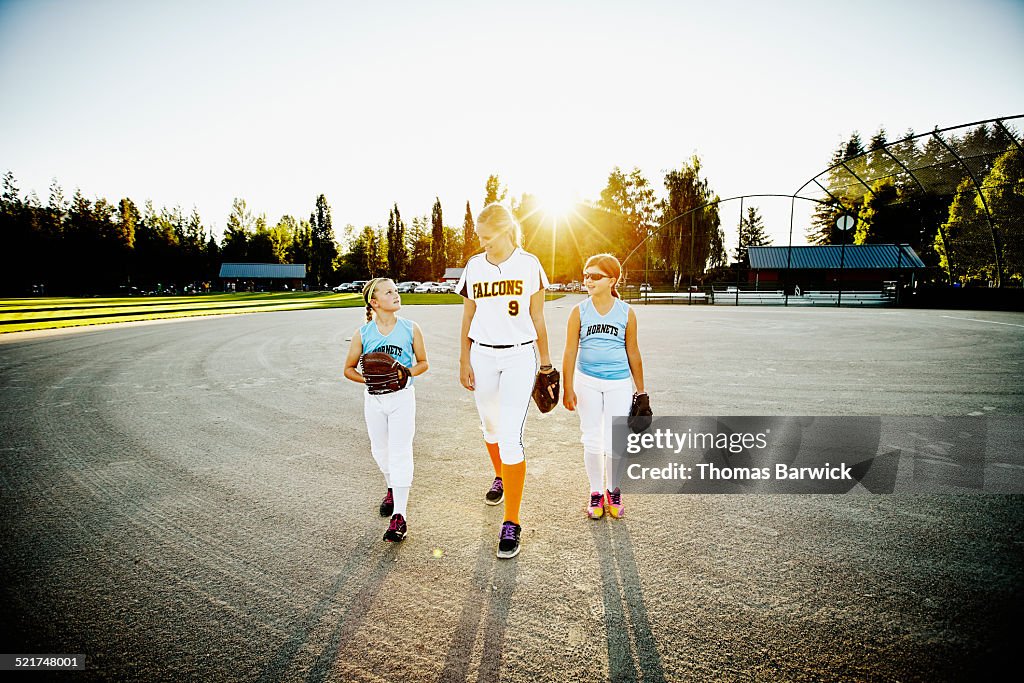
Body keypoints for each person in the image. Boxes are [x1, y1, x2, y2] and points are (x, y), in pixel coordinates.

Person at [457, 203, 555, 559]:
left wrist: (545, 364)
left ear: (504, 231)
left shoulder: (529, 264)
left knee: (511, 437)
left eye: (487, 237)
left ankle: (511, 521)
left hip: (518, 356)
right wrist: (463, 359)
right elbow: (468, 316)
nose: (483, 244)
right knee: (490, 428)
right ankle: (500, 474)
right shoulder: (474, 266)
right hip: (482, 355)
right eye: (480, 238)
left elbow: (538, 317)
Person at [343, 277, 429, 542]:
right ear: (374, 302)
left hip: (402, 397)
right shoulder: (363, 333)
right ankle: (392, 486)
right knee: (380, 450)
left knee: (401, 451)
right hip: (375, 399)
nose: (396, 294)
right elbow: (348, 369)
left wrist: (406, 374)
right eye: (389, 292)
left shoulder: (410, 328)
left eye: (396, 290)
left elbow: (423, 363)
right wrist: (369, 380)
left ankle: (399, 516)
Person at [562, 253, 645, 520]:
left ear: (612, 279)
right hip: (586, 381)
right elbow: (569, 352)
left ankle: (613, 490)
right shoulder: (579, 311)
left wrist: (641, 391)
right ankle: (596, 492)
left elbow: (633, 352)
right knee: (592, 437)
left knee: (616, 439)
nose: (588, 280)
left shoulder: (626, 313)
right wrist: (568, 387)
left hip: (618, 383)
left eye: (595, 276)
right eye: (585, 275)